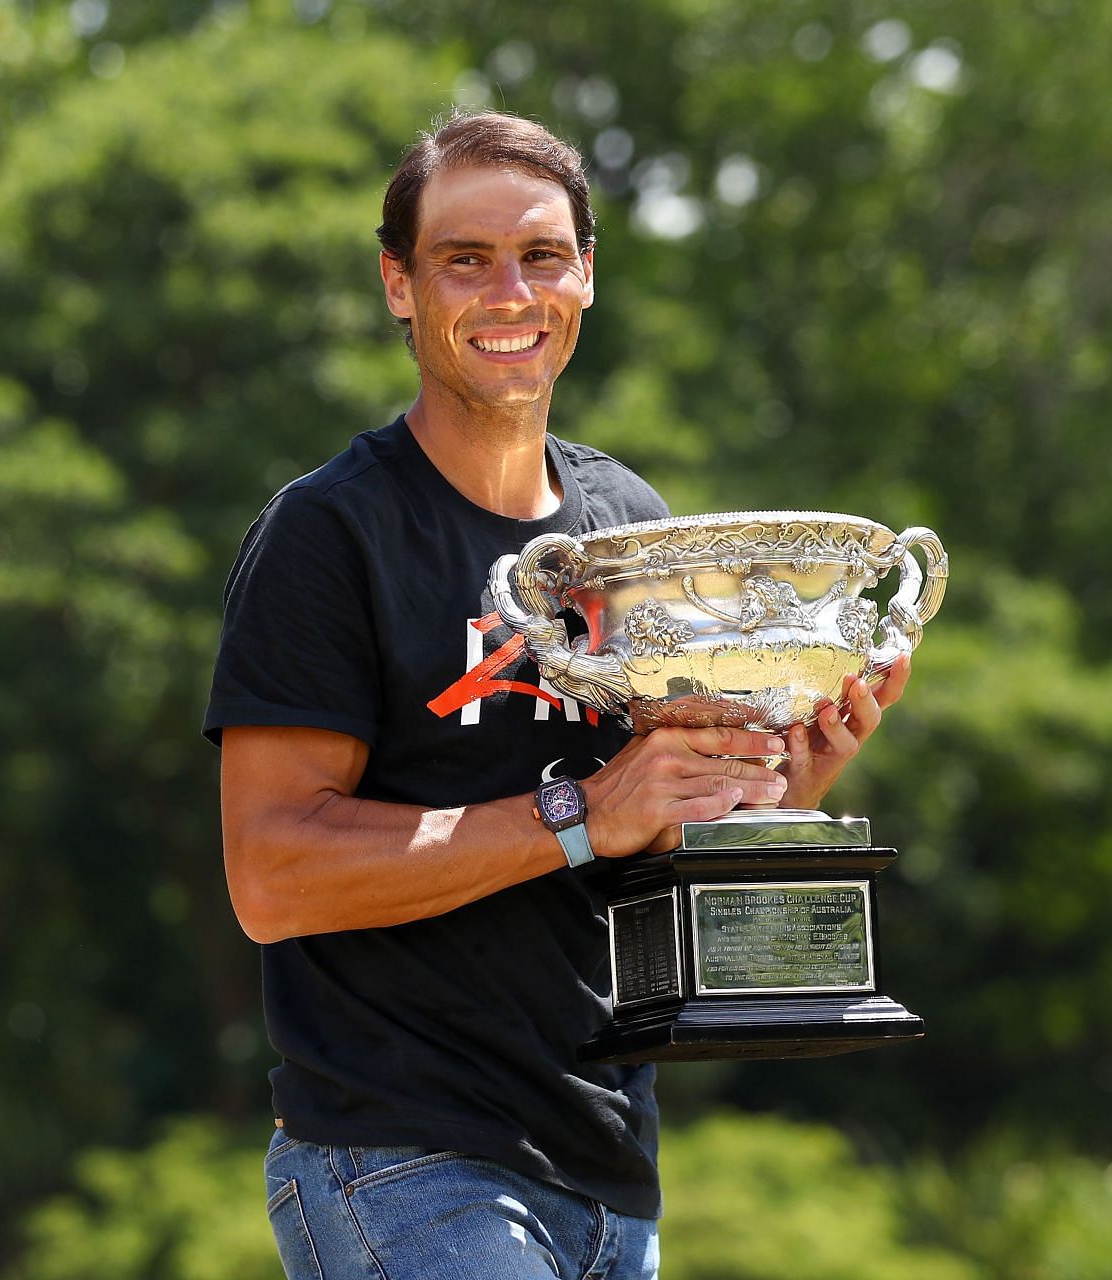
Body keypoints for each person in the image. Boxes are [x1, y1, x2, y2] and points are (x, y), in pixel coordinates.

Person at [203, 110, 909, 1280]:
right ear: (398, 283)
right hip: (403, 1152)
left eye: (541, 256)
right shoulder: (329, 534)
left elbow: (648, 842)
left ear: (586, 276)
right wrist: (582, 809)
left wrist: (780, 775)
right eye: (462, 259)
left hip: (610, 1169)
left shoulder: (626, 524)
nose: (508, 292)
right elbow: (271, 874)